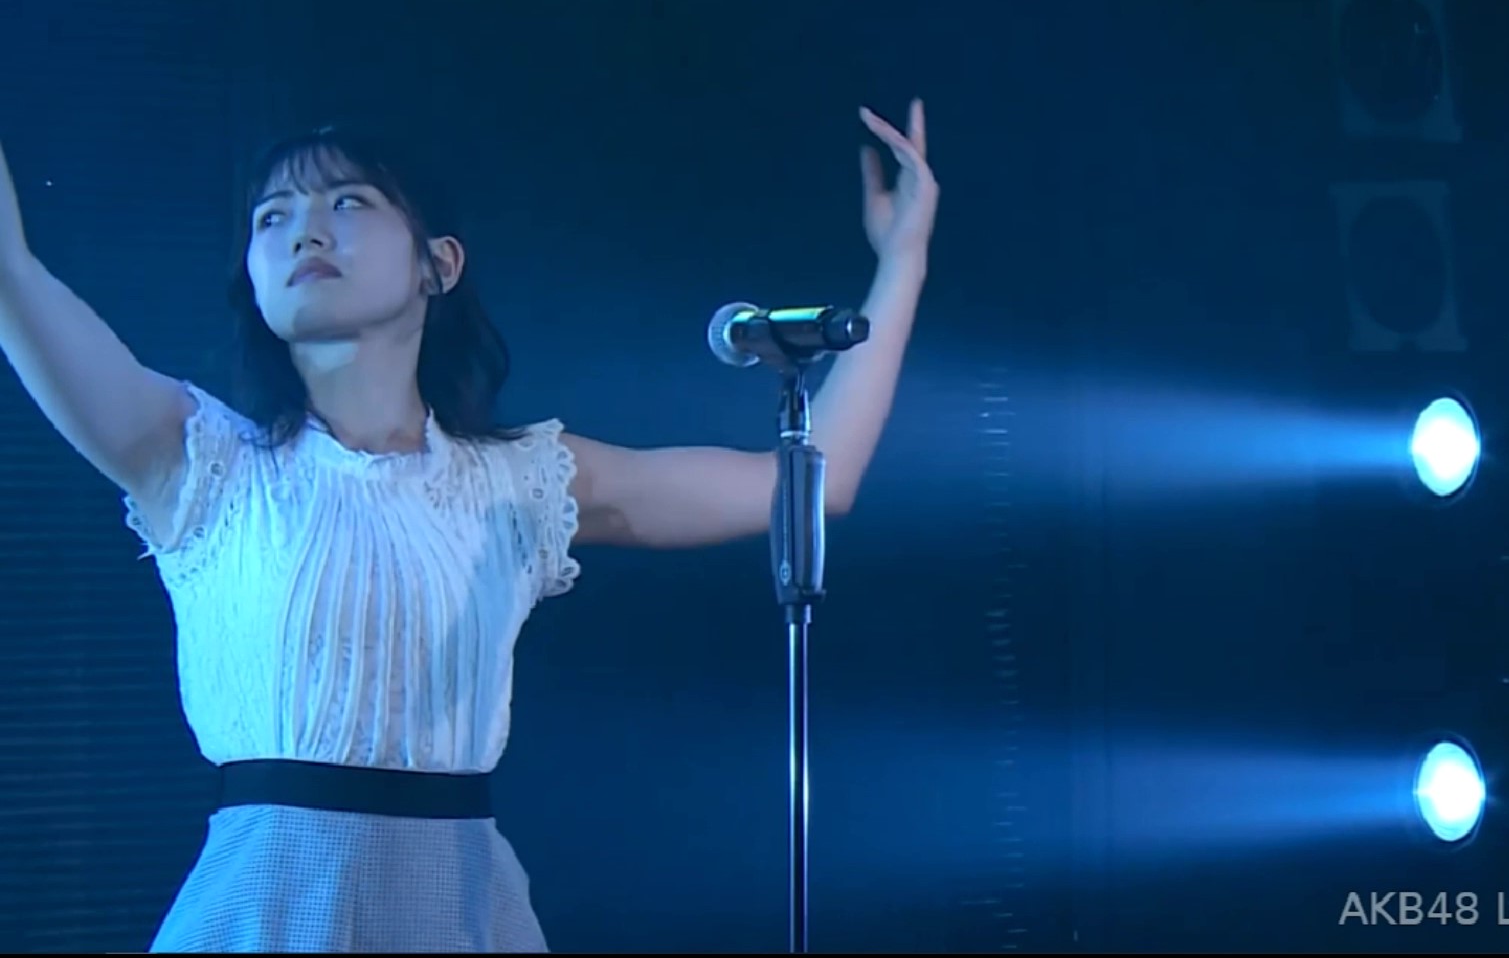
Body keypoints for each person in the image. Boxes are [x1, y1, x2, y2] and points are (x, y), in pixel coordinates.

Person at [0, 101, 938, 953]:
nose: (304, 230)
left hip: (459, 905)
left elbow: (813, 484)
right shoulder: (204, 463)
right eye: (271, 217)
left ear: (437, 264)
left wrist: (903, 260)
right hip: (263, 910)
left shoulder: (518, 480)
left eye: (347, 201)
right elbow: (10, 274)